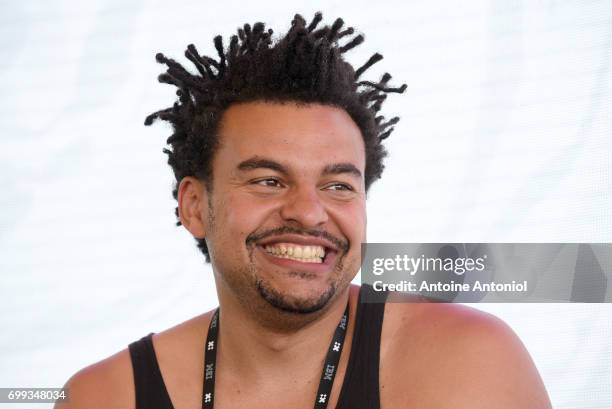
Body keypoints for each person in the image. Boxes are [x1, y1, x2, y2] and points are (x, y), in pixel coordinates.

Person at [57, 12, 552, 409]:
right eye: (269, 181)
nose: (310, 213)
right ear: (194, 206)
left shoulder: (468, 362)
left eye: (338, 185)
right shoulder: (103, 397)